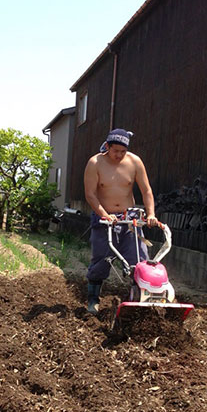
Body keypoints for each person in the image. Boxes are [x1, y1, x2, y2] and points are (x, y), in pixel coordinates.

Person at [83, 128, 158, 314]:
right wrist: (103, 214)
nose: (119, 155)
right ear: (107, 147)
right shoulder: (95, 163)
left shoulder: (134, 162)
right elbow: (90, 194)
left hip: (129, 219)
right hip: (105, 219)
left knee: (139, 258)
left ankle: (141, 299)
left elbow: (146, 191)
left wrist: (151, 214)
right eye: (116, 151)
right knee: (101, 258)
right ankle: (93, 299)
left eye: (123, 152)